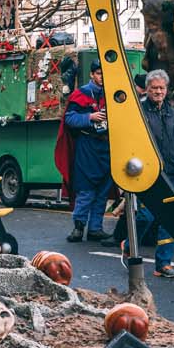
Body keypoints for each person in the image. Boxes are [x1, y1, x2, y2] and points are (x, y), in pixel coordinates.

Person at [124, 68, 174, 278]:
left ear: (166, 89)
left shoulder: (171, 112)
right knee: (146, 217)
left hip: (169, 173)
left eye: (162, 88)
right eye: (154, 88)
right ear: (147, 89)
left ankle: (163, 264)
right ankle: (130, 244)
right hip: (146, 174)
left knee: (170, 219)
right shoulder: (139, 111)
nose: (158, 91)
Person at [55, 60, 112, 244]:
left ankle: (96, 228)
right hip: (88, 146)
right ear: (91, 75)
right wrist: (90, 117)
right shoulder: (81, 94)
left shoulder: (113, 93)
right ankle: (79, 227)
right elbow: (70, 119)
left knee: (103, 191)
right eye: (98, 73)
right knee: (86, 190)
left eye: (104, 74)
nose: (101, 77)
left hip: (107, 147)